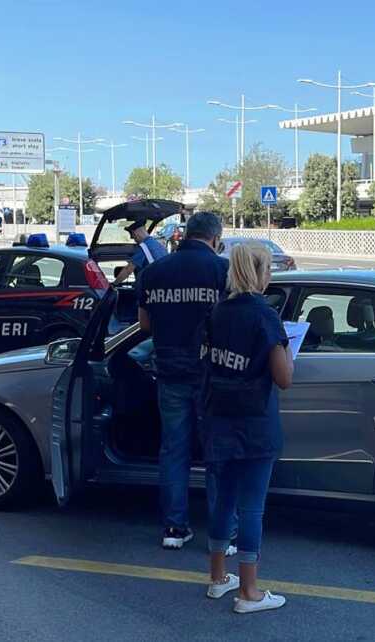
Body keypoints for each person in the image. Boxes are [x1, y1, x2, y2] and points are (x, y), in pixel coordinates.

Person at [203, 241, 293, 613]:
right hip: (255, 420)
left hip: (219, 417)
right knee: (252, 507)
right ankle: (249, 592)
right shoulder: (265, 316)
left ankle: (218, 578)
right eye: (268, 268)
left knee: (224, 500)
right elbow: (283, 378)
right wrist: (288, 348)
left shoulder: (218, 311)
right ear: (259, 272)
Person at [137, 211, 235, 550]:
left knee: (174, 451)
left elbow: (145, 325)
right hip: (212, 375)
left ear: (184, 234)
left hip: (169, 373)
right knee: (216, 453)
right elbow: (234, 323)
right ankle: (223, 534)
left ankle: (174, 529)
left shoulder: (153, 272)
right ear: (215, 238)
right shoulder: (223, 270)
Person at [114, 219, 167, 285]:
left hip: (153, 285)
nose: (135, 240)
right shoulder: (158, 244)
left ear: (135, 234)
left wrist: (114, 284)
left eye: (133, 237)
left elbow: (128, 270)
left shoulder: (144, 247)